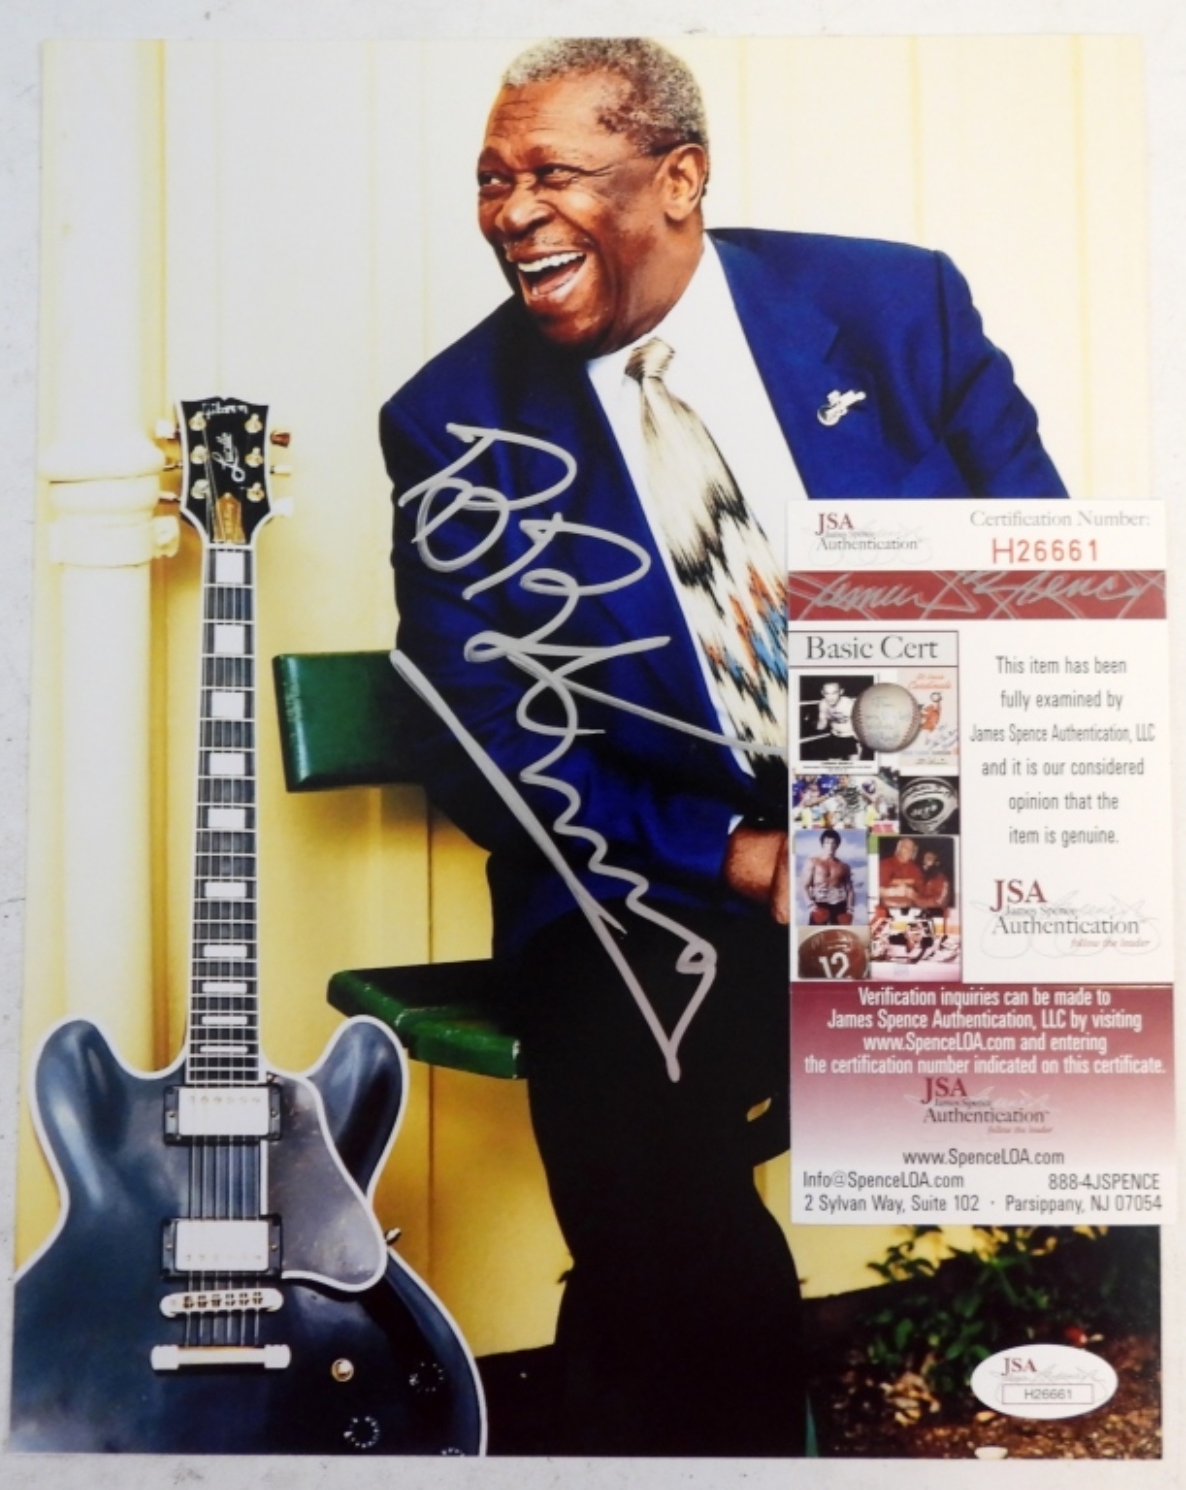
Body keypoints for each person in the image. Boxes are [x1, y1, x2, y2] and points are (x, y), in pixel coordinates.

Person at [380, 37, 1066, 1455]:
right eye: (492, 181)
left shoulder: (893, 308)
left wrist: (906, 821)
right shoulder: (452, 419)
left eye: (553, 172)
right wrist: (745, 856)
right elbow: (479, 734)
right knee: (636, 1121)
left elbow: (1033, 570)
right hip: (654, 869)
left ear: (679, 179)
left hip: (910, 809)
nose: (513, 212)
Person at [801, 829, 855, 925]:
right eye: (827, 843)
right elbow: (804, 886)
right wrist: (811, 906)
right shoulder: (813, 862)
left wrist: (850, 909)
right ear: (822, 844)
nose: (830, 846)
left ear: (837, 845)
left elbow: (850, 890)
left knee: (840, 933)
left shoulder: (844, 866)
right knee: (815, 933)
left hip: (839, 905)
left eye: (833, 843)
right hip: (819, 904)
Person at [877, 836, 927, 908]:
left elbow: (922, 893)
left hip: (909, 908)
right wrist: (892, 892)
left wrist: (914, 895)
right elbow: (873, 889)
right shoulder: (884, 864)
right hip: (887, 907)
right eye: (905, 847)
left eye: (911, 849)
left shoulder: (916, 869)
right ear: (898, 848)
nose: (909, 851)